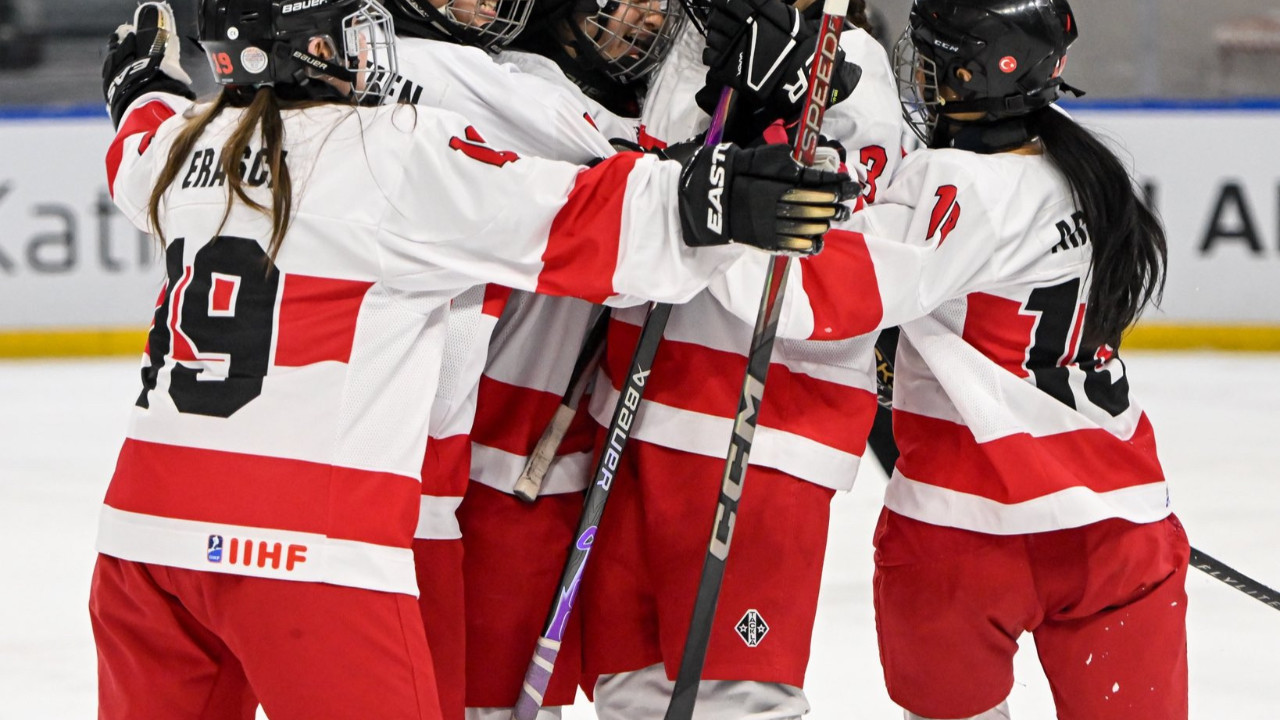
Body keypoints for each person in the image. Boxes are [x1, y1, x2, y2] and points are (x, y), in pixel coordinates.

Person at [88, 1, 853, 718]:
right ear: (311, 45)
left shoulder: (184, 142)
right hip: (310, 544)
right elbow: (583, 220)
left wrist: (140, 85)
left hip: (140, 544)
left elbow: (137, 135)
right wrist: (713, 200)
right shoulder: (391, 149)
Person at [815, 1, 1186, 718]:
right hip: (1121, 527)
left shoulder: (946, 184)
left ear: (973, 72)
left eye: (930, 59)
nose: (916, 76)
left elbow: (821, 301)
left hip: (960, 533)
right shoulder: (1091, 174)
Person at [574, 0, 910, 716]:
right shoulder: (680, 40)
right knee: (629, 688)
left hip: (760, 428)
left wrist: (784, 112)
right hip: (634, 412)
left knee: (737, 697)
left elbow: (849, 241)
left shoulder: (851, 62)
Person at [380, 0, 685, 715]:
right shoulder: (497, 78)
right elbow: (643, 174)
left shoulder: (581, 89)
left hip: (534, 463)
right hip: (470, 463)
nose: (645, 18)